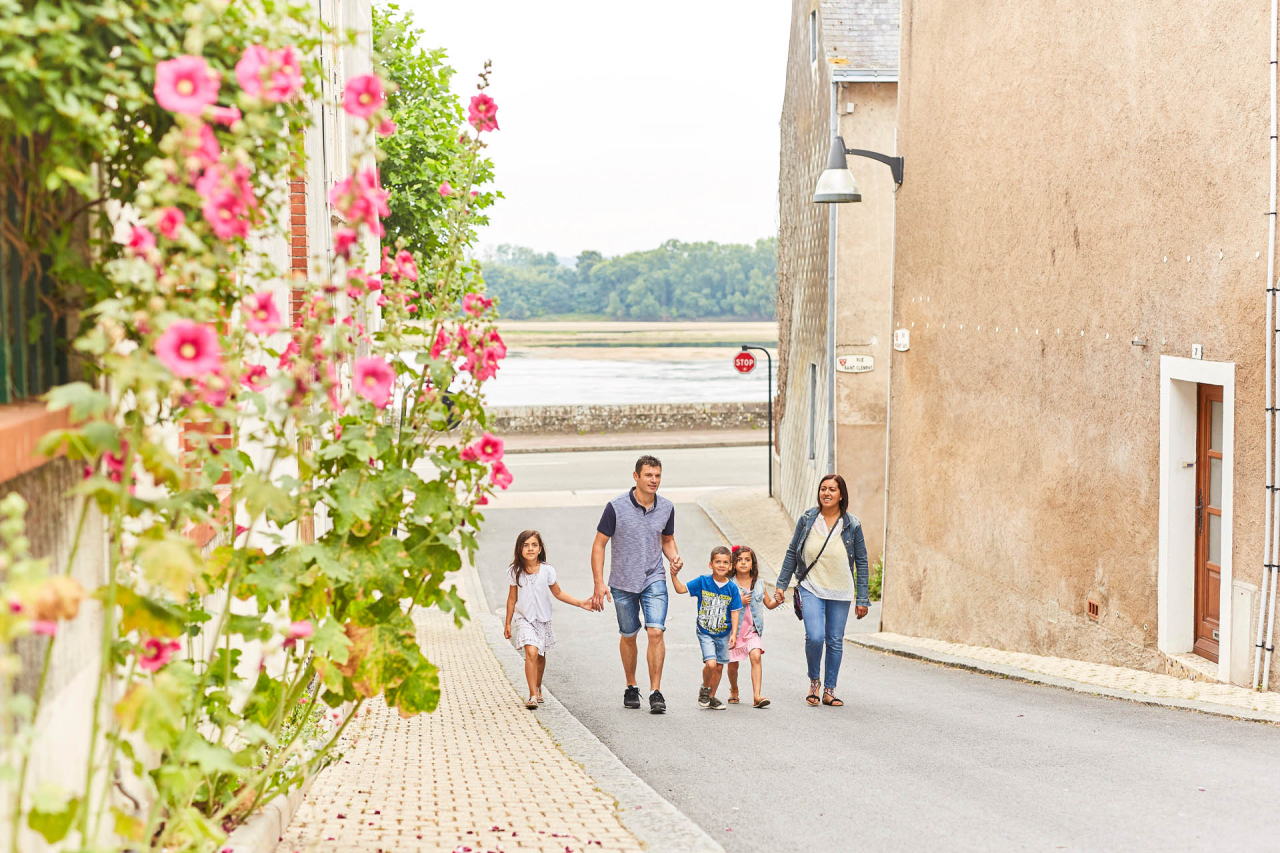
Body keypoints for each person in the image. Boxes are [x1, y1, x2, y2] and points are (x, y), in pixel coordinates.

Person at [590, 455, 682, 714]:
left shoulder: (666, 507)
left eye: (657, 476)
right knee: (629, 635)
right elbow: (599, 545)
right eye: (649, 475)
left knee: (656, 632)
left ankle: (655, 691)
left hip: (654, 576)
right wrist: (599, 582)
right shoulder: (615, 507)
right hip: (622, 582)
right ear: (636, 477)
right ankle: (631, 685)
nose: (654, 480)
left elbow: (667, 539)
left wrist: (673, 557)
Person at [773, 474, 869, 707]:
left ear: (841, 495)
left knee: (834, 640)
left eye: (832, 490)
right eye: (823, 489)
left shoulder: (852, 524)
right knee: (815, 636)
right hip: (811, 586)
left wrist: (863, 598)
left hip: (841, 590)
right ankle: (814, 681)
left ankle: (829, 690)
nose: (826, 493)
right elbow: (791, 552)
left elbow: (862, 561)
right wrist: (781, 585)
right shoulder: (807, 519)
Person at [504, 529, 592, 709]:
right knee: (531, 653)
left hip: (543, 620)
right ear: (519, 549)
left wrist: (580, 603)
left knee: (541, 657)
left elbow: (558, 593)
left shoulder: (547, 571)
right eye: (525, 545)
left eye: (534, 545)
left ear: (540, 548)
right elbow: (512, 599)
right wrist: (507, 623)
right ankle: (532, 696)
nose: (530, 549)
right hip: (524, 619)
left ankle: (538, 685)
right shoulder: (515, 572)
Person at [670, 545, 741, 710]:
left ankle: (711, 697)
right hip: (705, 632)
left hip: (723, 634)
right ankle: (705, 688)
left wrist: (734, 634)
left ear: (730, 566)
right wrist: (674, 575)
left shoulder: (732, 588)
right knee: (711, 664)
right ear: (711, 564)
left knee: (719, 666)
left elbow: (735, 612)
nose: (721, 565)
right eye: (718, 562)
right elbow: (681, 589)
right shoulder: (703, 581)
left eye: (725, 562)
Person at [726, 545, 781, 709]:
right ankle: (734, 690)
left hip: (752, 631)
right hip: (734, 632)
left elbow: (769, 604)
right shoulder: (729, 584)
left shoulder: (759, 584)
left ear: (753, 563)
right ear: (733, 564)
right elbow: (722, 606)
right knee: (733, 664)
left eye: (747, 560)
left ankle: (757, 696)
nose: (743, 563)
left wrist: (777, 601)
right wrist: (739, 602)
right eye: (739, 560)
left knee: (756, 656)